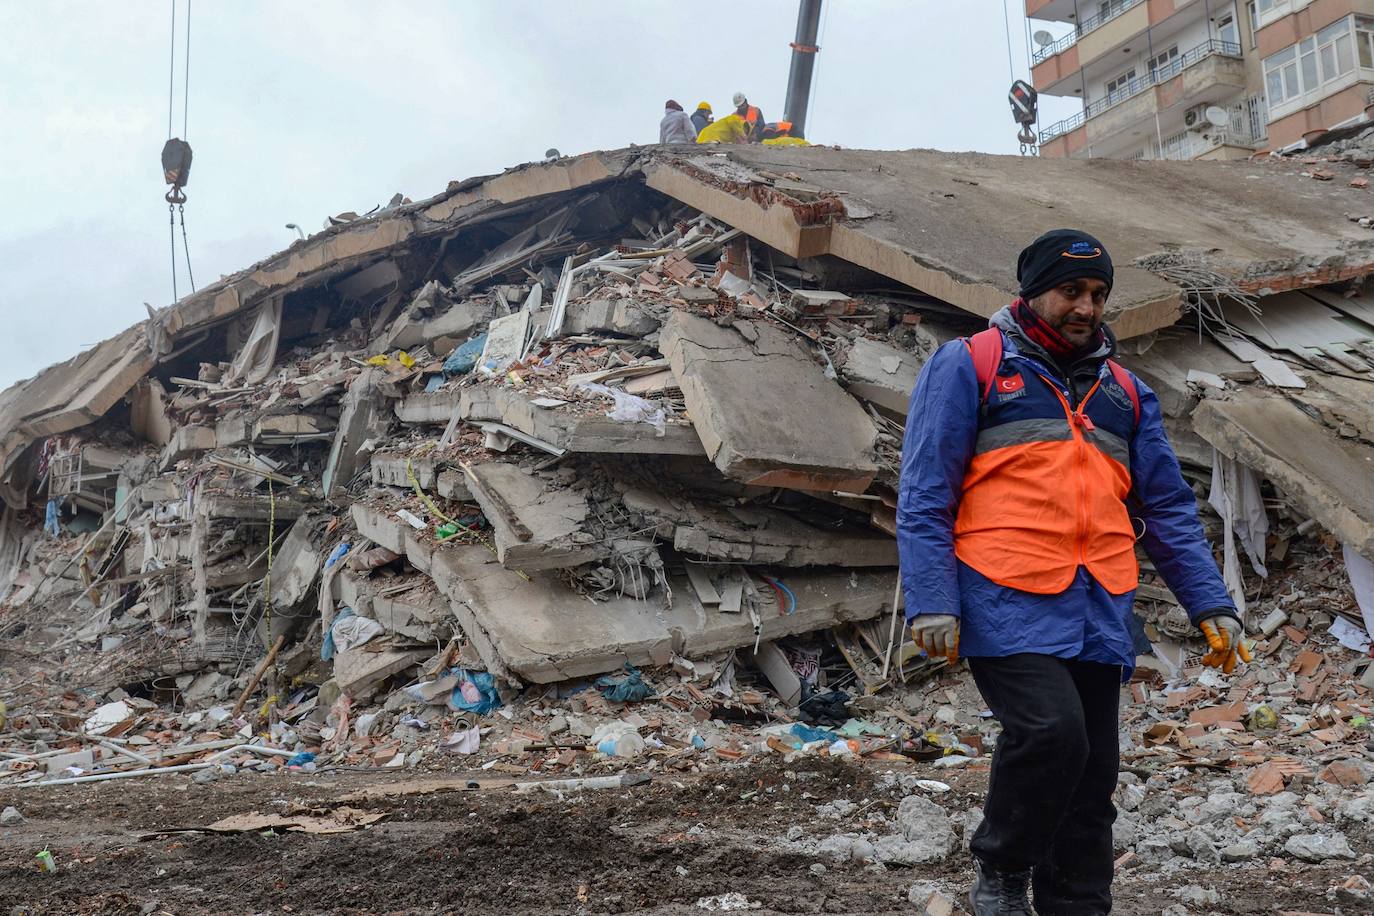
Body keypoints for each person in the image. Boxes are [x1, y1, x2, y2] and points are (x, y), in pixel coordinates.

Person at [897, 229, 1249, 916]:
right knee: (1052, 733)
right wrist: (932, 599)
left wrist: (1212, 603)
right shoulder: (971, 365)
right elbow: (925, 492)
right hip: (1003, 594)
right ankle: (1000, 872)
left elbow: (1170, 507)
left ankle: (1078, 904)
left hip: (1100, 602)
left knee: (1093, 775)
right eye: (1071, 292)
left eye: (1098, 294)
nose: (1087, 307)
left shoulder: (1125, 393)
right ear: (1032, 293)